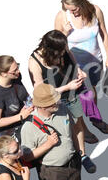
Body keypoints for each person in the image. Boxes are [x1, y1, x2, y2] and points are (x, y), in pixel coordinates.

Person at [28, 30, 97, 172]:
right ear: (51, 50)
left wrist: (78, 71)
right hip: (55, 102)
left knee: (77, 124)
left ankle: (82, 155)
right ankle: (67, 158)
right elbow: (41, 92)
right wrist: (67, 87)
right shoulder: (34, 62)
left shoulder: (61, 48)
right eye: (60, 52)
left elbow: (70, 56)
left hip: (72, 94)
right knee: (62, 130)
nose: (63, 53)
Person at [55, 0, 108, 136]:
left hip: (95, 61)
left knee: (92, 91)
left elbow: (104, 34)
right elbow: (56, 44)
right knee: (79, 98)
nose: (72, 13)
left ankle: (95, 119)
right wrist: (65, 33)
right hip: (74, 65)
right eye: (69, 9)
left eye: (74, 9)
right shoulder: (62, 17)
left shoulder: (95, 11)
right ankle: (83, 129)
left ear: (82, 2)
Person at [0, 55, 33, 144]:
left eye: (17, 67)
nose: (18, 71)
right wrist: (20, 116)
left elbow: (25, 95)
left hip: (25, 120)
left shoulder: (16, 77)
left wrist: (29, 104)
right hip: (10, 134)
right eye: (14, 70)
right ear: (4, 74)